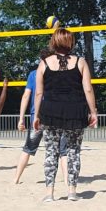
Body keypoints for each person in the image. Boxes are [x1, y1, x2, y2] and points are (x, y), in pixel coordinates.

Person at [33, 28, 98, 202]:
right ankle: (72, 191)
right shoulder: (80, 62)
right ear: (71, 43)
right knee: (73, 152)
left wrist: (36, 116)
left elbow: (39, 93)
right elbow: (88, 89)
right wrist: (93, 112)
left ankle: (49, 193)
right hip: (75, 111)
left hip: (50, 111)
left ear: (53, 42)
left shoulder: (44, 63)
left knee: (51, 152)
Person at [13, 49, 68, 185]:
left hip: (37, 117)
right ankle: (68, 181)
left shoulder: (33, 74)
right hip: (56, 117)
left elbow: (26, 96)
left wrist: (21, 118)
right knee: (63, 151)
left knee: (28, 148)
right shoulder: (60, 73)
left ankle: (16, 179)